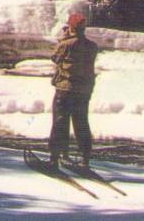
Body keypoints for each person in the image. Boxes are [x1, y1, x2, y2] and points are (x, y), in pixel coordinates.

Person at [48, 12, 98, 169]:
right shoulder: (92, 46)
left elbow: (55, 57)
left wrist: (65, 37)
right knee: (81, 123)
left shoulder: (66, 44)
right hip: (84, 91)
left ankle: (54, 159)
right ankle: (85, 160)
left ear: (71, 26)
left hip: (65, 90)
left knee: (60, 123)